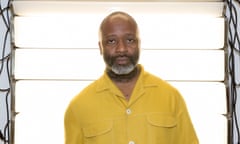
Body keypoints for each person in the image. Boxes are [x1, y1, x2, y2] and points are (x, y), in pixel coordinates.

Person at [64, 11, 199, 144]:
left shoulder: (171, 98)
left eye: (130, 40)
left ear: (139, 44)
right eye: (111, 41)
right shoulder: (78, 107)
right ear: (100, 47)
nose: (121, 49)